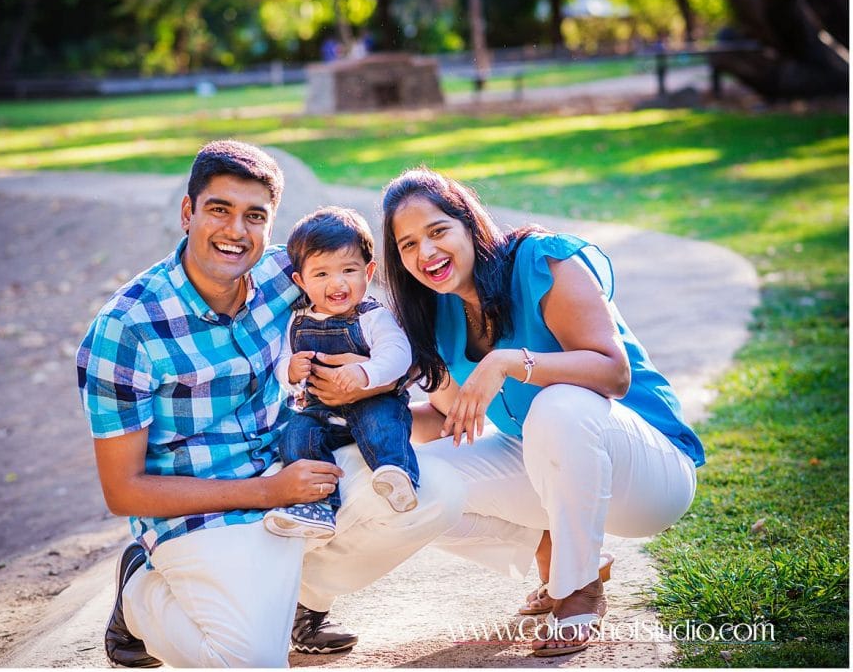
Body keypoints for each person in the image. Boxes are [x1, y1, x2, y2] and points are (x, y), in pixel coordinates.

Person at [76, 143, 465, 668]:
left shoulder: (295, 274)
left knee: (434, 491)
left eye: (254, 216)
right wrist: (267, 491)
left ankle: (303, 601)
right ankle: (139, 596)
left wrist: (422, 394)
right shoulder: (126, 328)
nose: (236, 231)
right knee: (252, 661)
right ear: (188, 212)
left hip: (292, 467)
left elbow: (378, 307)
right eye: (219, 210)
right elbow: (123, 491)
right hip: (202, 511)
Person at [379, 168, 702, 656]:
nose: (426, 253)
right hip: (553, 466)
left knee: (560, 405)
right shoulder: (440, 313)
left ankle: (578, 592)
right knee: (408, 481)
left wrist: (509, 361)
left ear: (469, 223)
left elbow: (614, 374)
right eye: (407, 245)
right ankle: (560, 554)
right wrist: (366, 422)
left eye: (437, 231)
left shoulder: (540, 261)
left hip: (649, 473)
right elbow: (451, 419)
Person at [265, 207, 419, 540]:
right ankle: (319, 505)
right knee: (296, 434)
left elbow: (398, 353)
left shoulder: (372, 317)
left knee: (382, 423)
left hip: (372, 402)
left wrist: (367, 373)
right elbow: (281, 358)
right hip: (322, 411)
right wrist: (289, 372)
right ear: (300, 281)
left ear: (369, 271)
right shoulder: (297, 321)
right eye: (321, 275)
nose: (337, 283)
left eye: (349, 270)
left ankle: (395, 472)